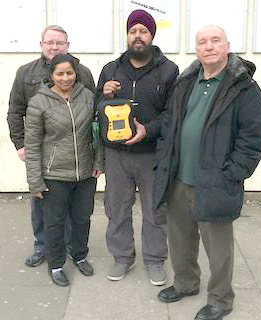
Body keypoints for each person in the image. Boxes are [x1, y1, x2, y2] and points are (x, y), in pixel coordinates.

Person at [153, 25, 261, 320]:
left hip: (216, 180)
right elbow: (170, 122)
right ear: (197, 50)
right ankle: (186, 283)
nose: (208, 46)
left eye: (215, 40)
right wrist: (165, 158)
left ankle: (220, 299)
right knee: (180, 239)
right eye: (202, 42)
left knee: (218, 247)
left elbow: (254, 135)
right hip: (179, 177)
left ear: (227, 46)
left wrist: (233, 173)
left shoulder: (243, 87)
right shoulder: (186, 82)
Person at [95, 9, 178, 286]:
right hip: (117, 155)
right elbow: (97, 108)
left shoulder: (168, 70)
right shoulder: (110, 69)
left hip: (152, 153)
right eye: (133, 31)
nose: (137, 36)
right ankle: (122, 258)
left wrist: (147, 131)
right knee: (117, 208)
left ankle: (155, 260)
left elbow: (172, 114)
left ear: (151, 35)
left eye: (143, 31)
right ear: (127, 35)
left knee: (155, 210)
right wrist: (103, 94)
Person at [7, 25, 95, 267]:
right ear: (41, 45)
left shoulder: (83, 72)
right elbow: (15, 111)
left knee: (73, 210)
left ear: (67, 45)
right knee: (42, 205)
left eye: (59, 43)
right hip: (44, 154)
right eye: (50, 43)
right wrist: (20, 143)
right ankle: (42, 246)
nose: (54, 47)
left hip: (77, 156)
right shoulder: (26, 73)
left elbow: (92, 111)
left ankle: (69, 247)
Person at [24, 53, 103, 286]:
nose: (65, 78)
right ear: (51, 76)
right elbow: (33, 143)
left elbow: (97, 134)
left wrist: (98, 162)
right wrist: (35, 182)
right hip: (54, 174)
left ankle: (79, 256)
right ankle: (56, 264)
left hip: (85, 174)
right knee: (54, 222)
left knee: (81, 219)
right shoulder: (39, 102)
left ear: (75, 74)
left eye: (69, 73)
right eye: (60, 73)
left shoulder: (87, 96)